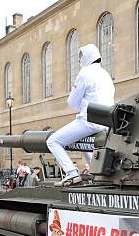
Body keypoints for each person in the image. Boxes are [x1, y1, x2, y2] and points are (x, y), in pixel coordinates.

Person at [46, 43, 114, 186]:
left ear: (86, 58)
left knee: (52, 141)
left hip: (89, 120)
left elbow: (72, 103)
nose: (79, 60)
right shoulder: (105, 74)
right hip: (106, 122)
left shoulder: (84, 73)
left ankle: (71, 173)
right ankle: (96, 173)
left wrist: (82, 104)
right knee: (83, 145)